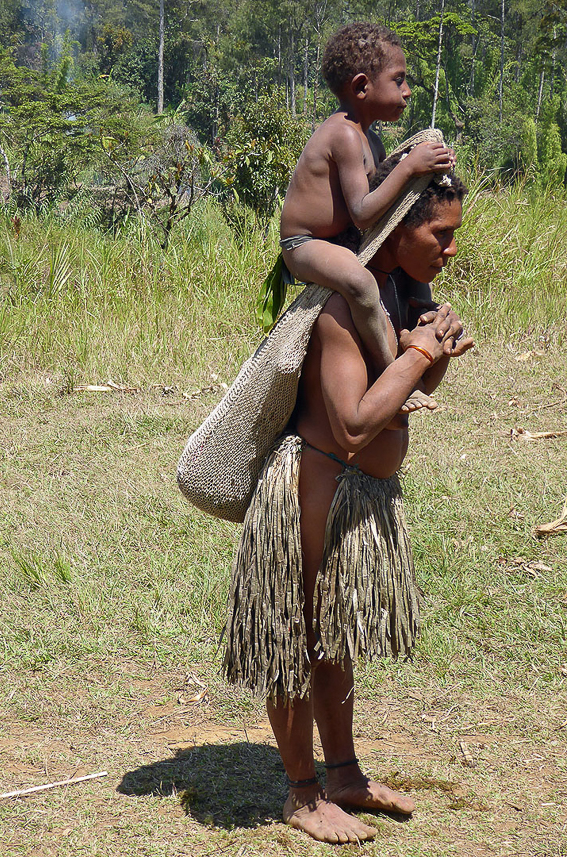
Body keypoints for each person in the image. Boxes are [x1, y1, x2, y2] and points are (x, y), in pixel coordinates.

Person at [224, 160, 474, 843]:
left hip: (355, 494)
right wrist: (418, 356)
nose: (452, 250)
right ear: (397, 229)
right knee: (294, 637)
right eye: (441, 236)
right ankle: (303, 795)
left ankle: (344, 775)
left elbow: (403, 397)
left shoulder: (394, 293)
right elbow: (357, 423)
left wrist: (435, 350)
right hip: (313, 489)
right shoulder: (342, 308)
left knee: (333, 637)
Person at [279, 21, 453, 410]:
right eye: (399, 80)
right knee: (359, 282)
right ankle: (392, 371)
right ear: (362, 87)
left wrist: (424, 165)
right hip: (305, 244)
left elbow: (381, 194)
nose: (407, 91)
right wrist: (409, 168)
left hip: (338, 240)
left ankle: (416, 334)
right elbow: (361, 212)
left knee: (404, 273)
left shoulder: (370, 137)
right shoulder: (342, 134)